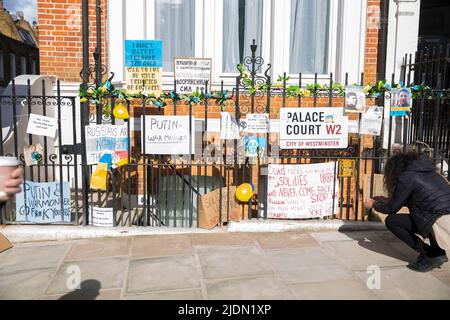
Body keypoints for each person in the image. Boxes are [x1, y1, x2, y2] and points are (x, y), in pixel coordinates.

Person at [364, 151, 450, 272]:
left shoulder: (407, 177)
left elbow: (391, 209)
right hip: (444, 219)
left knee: (392, 221)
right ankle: (438, 251)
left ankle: (431, 254)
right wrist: (386, 200)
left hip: (438, 221)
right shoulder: (430, 173)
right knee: (426, 216)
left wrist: (374, 204)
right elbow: (420, 199)